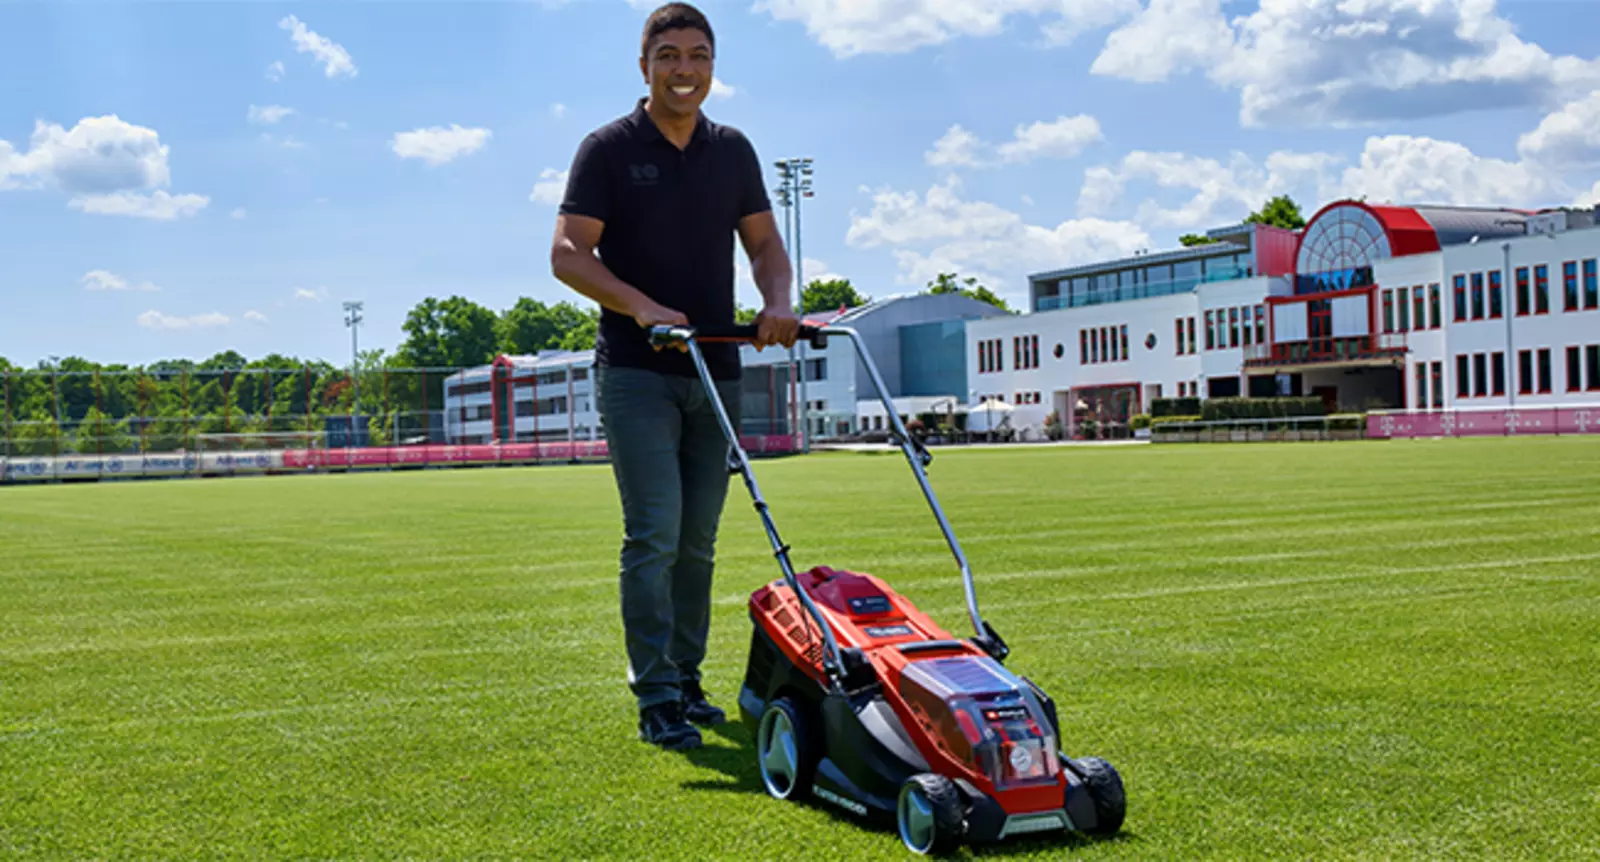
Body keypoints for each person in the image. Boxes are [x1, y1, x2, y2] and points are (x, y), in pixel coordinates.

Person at [549, 2, 800, 751]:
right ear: (644, 65)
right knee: (654, 533)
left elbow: (764, 246)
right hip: (636, 371)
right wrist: (642, 307)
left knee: (698, 542)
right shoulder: (608, 149)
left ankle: (687, 681)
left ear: (712, 66)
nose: (683, 69)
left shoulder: (733, 151)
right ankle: (655, 693)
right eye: (668, 56)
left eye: (697, 55)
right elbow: (568, 254)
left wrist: (778, 301)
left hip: (716, 368)